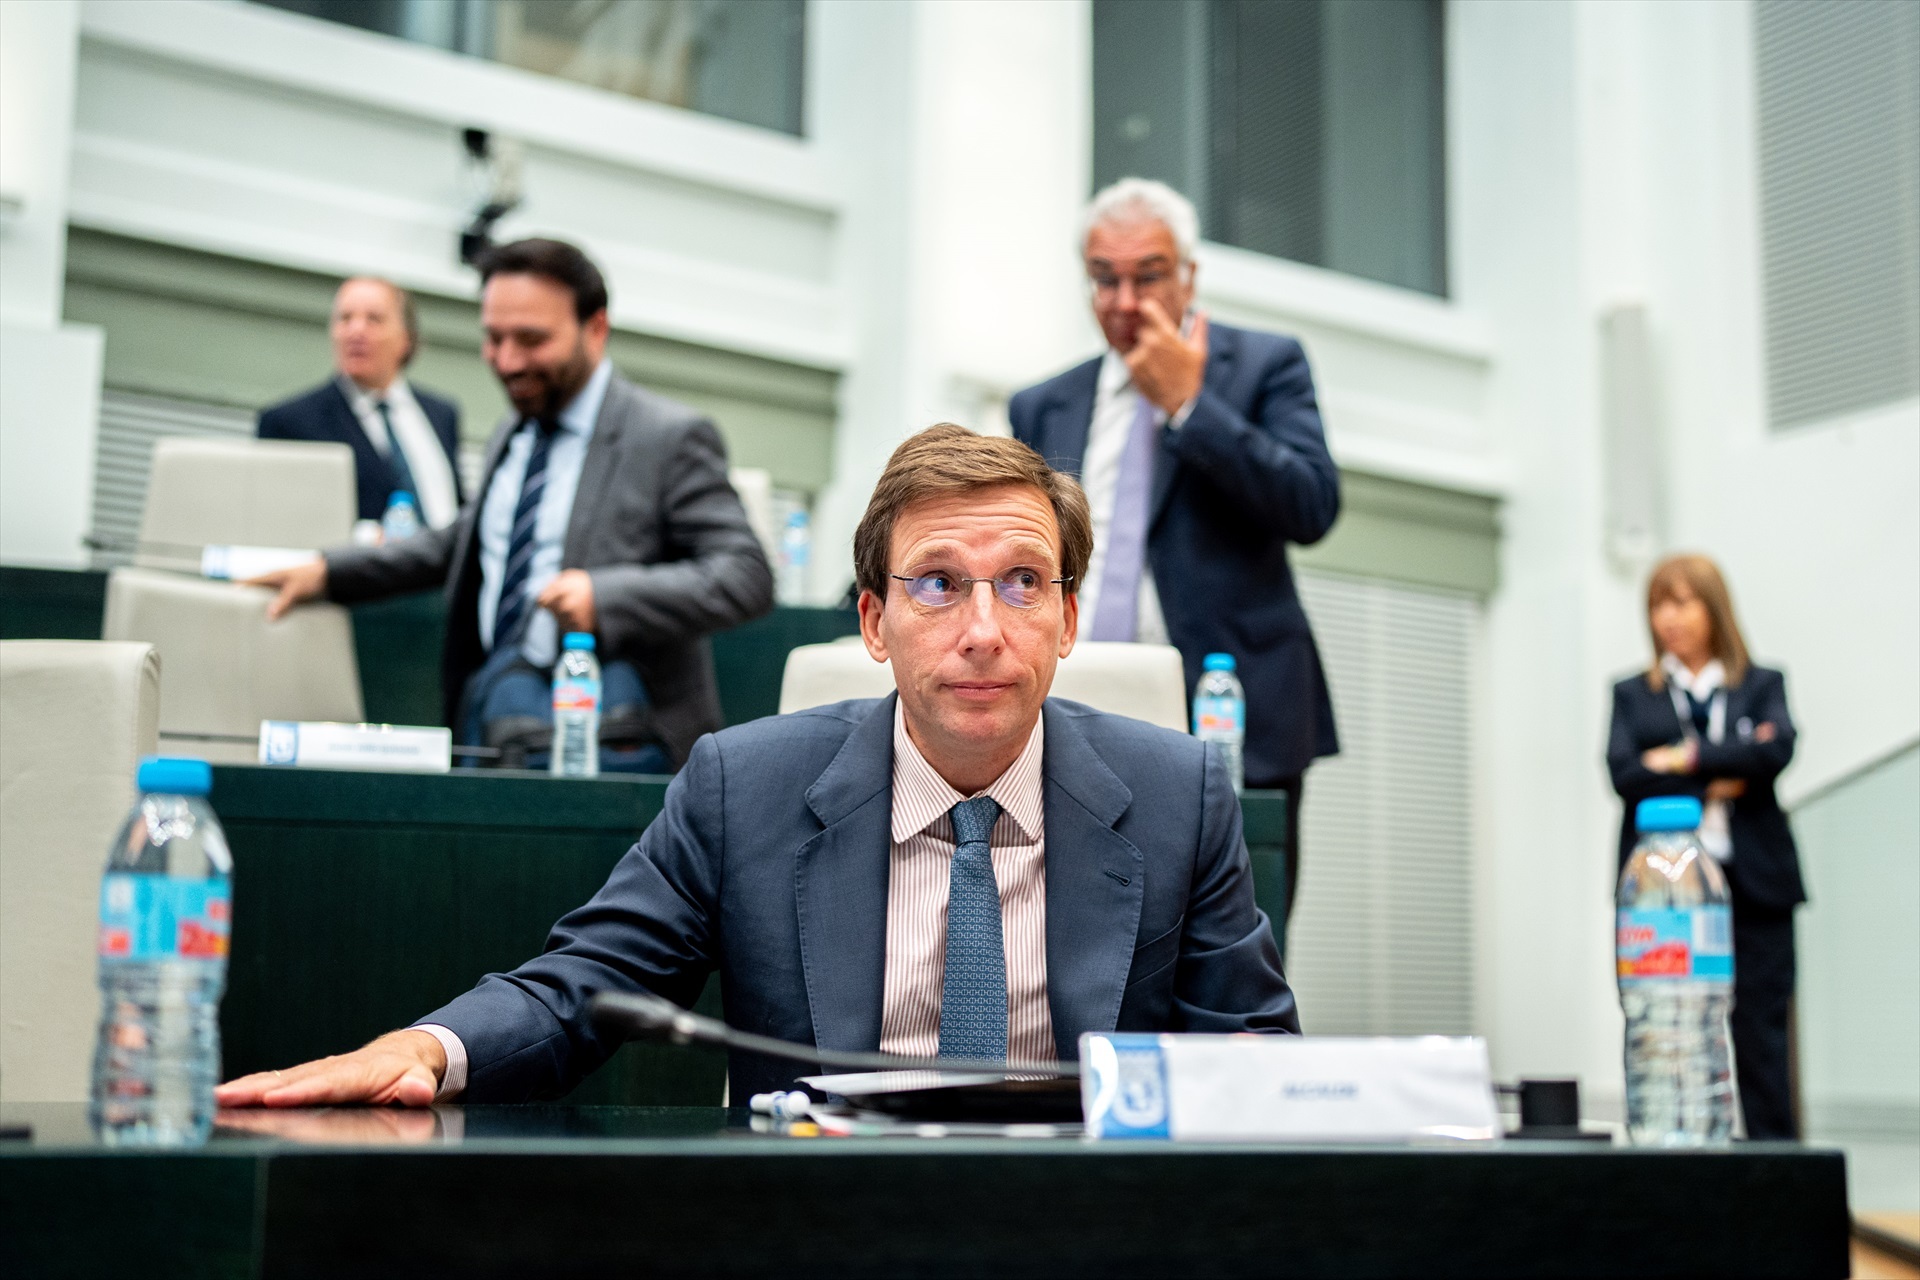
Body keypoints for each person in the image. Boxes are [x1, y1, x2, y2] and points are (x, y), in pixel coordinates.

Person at [216, 424, 1299, 1107]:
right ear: (872, 622)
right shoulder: (745, 787)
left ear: (1068, 619)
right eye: (936, 583)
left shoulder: (1181, 795)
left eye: (1022, 582)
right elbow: (583, 988)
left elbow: (1257, 1067)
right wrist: (430, 1046)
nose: (982, 629)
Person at [248, 239, 774, 772]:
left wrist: (604, 596)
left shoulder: (666, 437)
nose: (507, 361)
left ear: (595, 328)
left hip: (612, 748)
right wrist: (329, 572)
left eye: (531, 339)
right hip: (494, 727)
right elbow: (462, 543)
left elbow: (746, 575)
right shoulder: (515, 430)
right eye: (494, 338)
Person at [1008, 176, 1340, 925]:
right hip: (1079, 707)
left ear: (1189, 276)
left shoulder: (1264, 365)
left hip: (1226, 711)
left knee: (1237, 943)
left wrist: (1191, 404)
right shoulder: (1043, 404)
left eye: (1149, 276)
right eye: (1105, 279)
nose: (1126, 301)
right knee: (1086, 935)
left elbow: (1311, 505)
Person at [1606, 553, 1804, 1140]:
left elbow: (1774, 752)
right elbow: (1625, 774)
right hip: (1662, 896)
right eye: (1657, 605)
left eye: (1682, 602)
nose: (1669, 618)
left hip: (1756, 886)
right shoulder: (1632, 694)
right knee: (1670, 1035)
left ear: (1713, 608)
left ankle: (1776, 1173)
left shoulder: (1762, 685)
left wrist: (1677, 757)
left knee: (1763, 1038)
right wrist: (1725, 768)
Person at [258, 276, 465, 528]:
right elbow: (280, 521)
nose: (356, 331)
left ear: (406, 338)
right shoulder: (290, 423)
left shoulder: (441, 414)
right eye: (345, 318)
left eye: (374, 319)